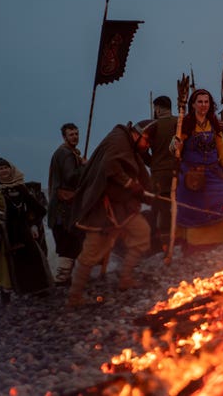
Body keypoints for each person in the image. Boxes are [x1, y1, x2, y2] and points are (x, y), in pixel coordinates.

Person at [67, 120, 156, 306]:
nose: (147, 146)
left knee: (141, 233)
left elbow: (140, 171)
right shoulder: (118, 141)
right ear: (139, 135)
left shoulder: (129, 145)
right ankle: (74, 297)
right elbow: (110, 166)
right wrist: (131, 185)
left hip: (122, 207)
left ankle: (125, 279)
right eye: (147, 142)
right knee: (91, 253)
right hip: (102, 209)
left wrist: (150, 193)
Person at [170, 88, 223, 249]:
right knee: (193, 208)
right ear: (194, 105)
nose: (203, 105)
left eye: (206, 102)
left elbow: (221, 148)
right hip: (191, 175)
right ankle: (194, 243)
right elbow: (175, 149)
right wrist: (176, 144)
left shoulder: (213, 123)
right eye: (200, 102)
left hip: (213, 172)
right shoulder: (186, 124)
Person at [0, 158, 51, 304]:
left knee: (33, 258)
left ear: (11, 169)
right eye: (0, 169)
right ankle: (6, 295)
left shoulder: (20, 188)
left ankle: (37, 289)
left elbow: (32, 209)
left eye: (6, 167)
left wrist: (34, 226)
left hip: (23, 231)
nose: (4, 171)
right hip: (4, 234)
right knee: (7, 266)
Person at [47, 122, 86, 285]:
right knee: (68, 244)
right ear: (64, 137)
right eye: (71, 134)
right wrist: (84, 166)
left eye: (76, 134)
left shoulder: (69, 153)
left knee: (71, 244)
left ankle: (69, 279)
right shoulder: (66, 154)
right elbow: (71, 177)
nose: (75, 137)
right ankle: (62, 280)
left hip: (62, 208)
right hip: (64, 210)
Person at [146, 95, 179, 254]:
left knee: (162, 211)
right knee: (179, 207)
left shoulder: (152, 126)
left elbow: (141, 151)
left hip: (159, 175)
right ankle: (180, 241)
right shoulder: (179, 122)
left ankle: (165, 247)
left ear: (157, 108)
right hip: (178, 172)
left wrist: (152, 162)